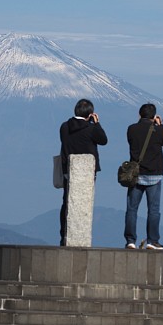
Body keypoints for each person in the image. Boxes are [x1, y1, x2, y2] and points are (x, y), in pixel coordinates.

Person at [123, 103, 163, 250]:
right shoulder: (158, 131)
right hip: (154, 175)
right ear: (154, 116)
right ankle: (152, 241)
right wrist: (161, 126)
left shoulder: (131, 129)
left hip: (136, 176)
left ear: (139, 114)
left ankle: (130, 241)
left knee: (132, 209)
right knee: (153, 210)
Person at [59, 99, 108, 246]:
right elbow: (103, 140)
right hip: (87, 173)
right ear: (90, 114)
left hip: (68, 170)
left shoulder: (64, 126)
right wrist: (96, 123)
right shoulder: (91, 128)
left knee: (66, 202)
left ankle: (64, 235)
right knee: (84, 203)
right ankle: (80, 236)